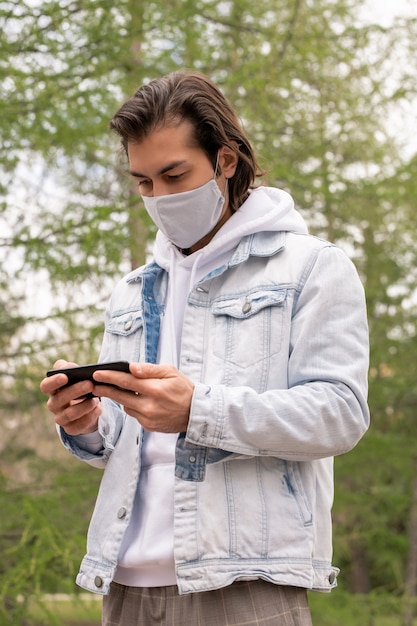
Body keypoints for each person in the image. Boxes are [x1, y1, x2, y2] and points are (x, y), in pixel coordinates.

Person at [40, 70, 370, 626]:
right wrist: (85, 425)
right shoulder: (131, 289)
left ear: (226, 160)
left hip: (245, 584)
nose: (160, 197)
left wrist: (198, 410)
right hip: (122, 584)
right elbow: (125, 439)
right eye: (144, 182)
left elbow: (340, 414)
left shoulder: (312, 266)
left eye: (174, 174)